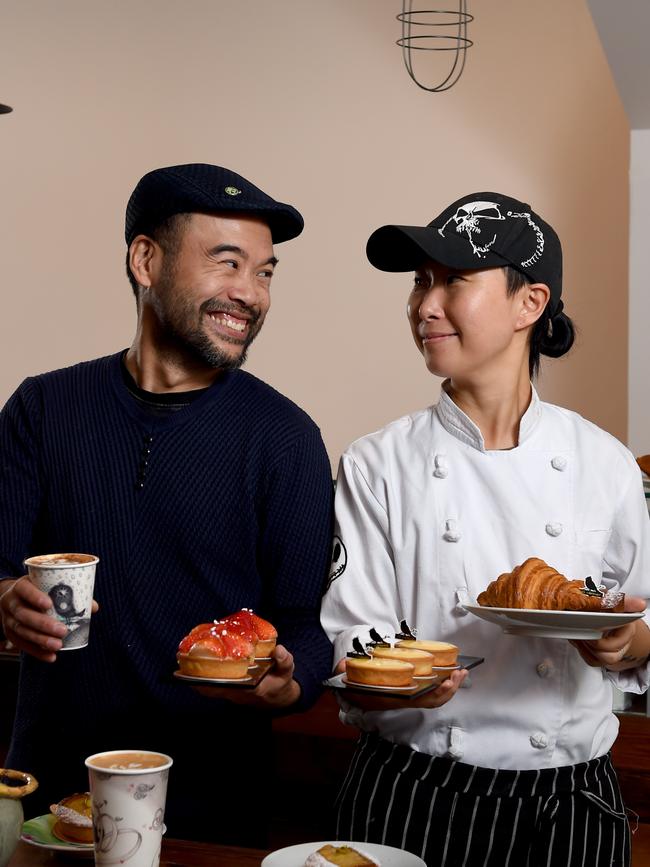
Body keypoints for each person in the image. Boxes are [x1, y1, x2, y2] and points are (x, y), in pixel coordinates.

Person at [0, 163, 334, 845]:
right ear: (146, 259)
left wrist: (287, 683)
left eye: (266, 271)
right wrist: (5, 599)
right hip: (50, 807)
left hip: (210, 816)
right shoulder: (43, 408)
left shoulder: (288, 438)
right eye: (228, 263)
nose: (251, 293)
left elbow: (305, 626)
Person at [321, 192, 650, 866]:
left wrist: (628, 641)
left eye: (453, 280)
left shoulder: (605, 464)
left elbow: (642, 620)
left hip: (571, 808)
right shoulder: (377, 463)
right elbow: (349, 631)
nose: (423, 304)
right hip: (414, 792)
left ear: (530, 303)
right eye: (420, 281)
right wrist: (396, 676)